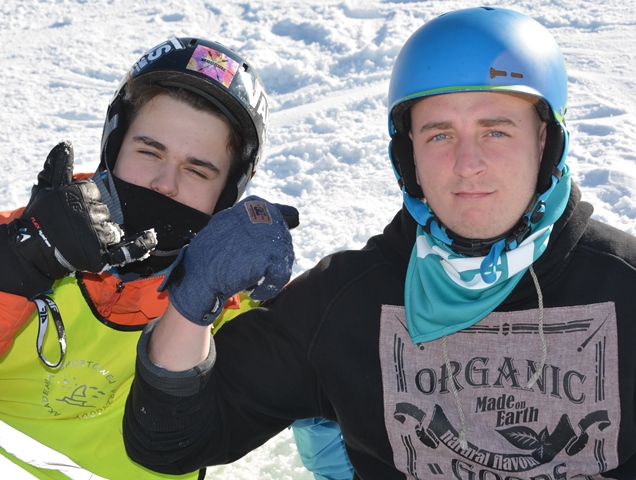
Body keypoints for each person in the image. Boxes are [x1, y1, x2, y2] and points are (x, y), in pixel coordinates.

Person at [122, 7, 636, 480]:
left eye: (495, 131)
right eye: (439, 134)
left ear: (545, 140)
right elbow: (168, 443)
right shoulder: (345, 303)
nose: (467, 165)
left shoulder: (625, 285)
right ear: (407, 153)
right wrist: (193, 301)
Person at [0, 36, 295, 480]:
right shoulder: (19, 242)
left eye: (197, 170)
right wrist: (15, 269)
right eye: (149, 151)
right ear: (114, 146)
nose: (164, 183)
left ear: (229, 191)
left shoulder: (239, 305)